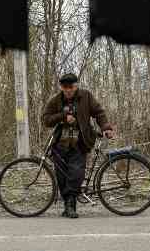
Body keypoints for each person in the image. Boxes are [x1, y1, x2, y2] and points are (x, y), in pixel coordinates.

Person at [43, 73, 114, 218]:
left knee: (76, 173)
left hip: (80, 143)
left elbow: (99, 112)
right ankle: (68, 205)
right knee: (62, 177)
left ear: (76, 86)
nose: (68, 90)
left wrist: (106, 127)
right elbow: (46, 119)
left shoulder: (86, 96)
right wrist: (62, 116)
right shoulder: (56, 100)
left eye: (71, 87)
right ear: (61, 87)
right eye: (65, 87)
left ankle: (70, 205)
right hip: (60, 144)